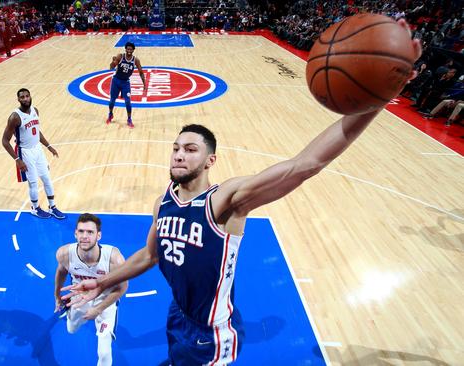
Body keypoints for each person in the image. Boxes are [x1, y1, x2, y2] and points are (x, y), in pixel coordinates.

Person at [64, 20, 421, 366]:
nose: (178, 153)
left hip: (211, 334)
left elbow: (305, 164)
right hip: (178, 316)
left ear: (210, 160)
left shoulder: (226, 200)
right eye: (175, 147)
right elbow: (149, 255)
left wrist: (378, 99)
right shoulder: (164, 202)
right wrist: (102, 283)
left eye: (190, 149)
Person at [54, 213, 127, 366]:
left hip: (105, 299)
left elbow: (122, 287)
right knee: (71, 329)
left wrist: (98, 309)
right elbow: (61, 272)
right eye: (81, 231)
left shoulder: (114, 259)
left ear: (98, 235)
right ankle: (70, 314)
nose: (84, 236)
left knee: (104, 351)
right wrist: (57, 296)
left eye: (90, 232)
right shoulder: (64, 253)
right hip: (80, 296)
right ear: (75, 233)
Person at [1, 88, 65, 219]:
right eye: (22, 97)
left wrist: (49, 146)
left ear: (30, 97)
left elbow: (36, 132)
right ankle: (35, 208)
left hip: (38, 150)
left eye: (27, 96)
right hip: (25, 152)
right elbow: (5, 141)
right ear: (18, 99)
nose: (25, 99)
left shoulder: (35, 111)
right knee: (33, 182)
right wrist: (17, 159)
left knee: (47, 178)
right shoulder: (15, 117)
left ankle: (52, 207)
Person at [106, 42, 146, 128]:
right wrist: (113, 62)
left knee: (128, 101)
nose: (129, 50)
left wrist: (144, 84)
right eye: (128, 49)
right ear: (125, 49)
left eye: (131, 49)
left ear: (133, 50)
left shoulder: (136, 60)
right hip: (116, 81)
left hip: (125, 82)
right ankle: (110, 114)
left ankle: (129, 119)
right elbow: (111, 67)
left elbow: (141, 72)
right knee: (112, 100)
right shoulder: (120, 56)